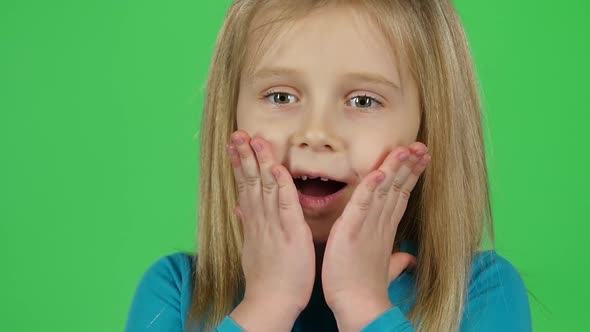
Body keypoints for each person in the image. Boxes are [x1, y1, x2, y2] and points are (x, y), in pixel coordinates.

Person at [125, 0, 532, 331]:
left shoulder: (481, 292)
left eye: (363, 100)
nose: (316, 133)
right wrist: (267, 306)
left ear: (428, 126)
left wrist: (364, 305)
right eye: (281, 97)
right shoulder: (177, 294)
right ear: (229, 116)